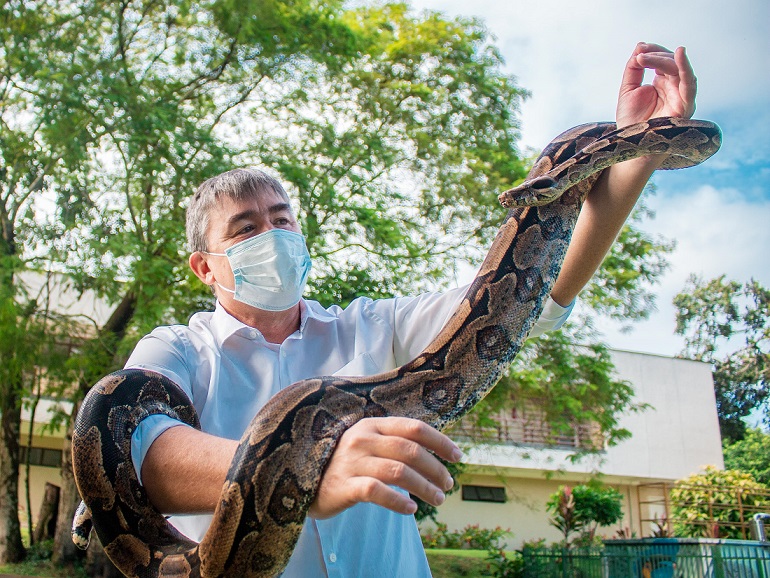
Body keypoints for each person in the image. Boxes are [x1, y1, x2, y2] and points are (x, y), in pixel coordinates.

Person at [125, 42, 697, 576]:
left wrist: (638, 149)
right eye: (246, 229)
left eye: (281, 221)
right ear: (205, 267)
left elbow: (533, 295)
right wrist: (304, 464)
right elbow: (141, 453)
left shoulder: (372, 328)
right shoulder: (175, 350)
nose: (271, 236)